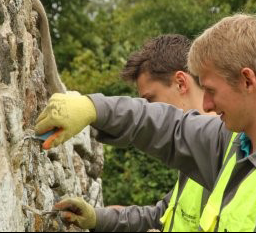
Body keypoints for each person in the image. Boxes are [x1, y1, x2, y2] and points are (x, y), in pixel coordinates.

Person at [37, 14, 256, 231]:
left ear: (247, 81)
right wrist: (94, 108)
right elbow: (169, 128)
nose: (206, 105)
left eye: (212, 90)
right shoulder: (233, 145)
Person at [55, 34, 219, 231]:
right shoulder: (197, 159)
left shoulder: (225, 155)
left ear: (181, 83)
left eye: (149, 100)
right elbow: (163, 215)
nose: (148, 108)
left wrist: (95, 109)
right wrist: (98, 218)